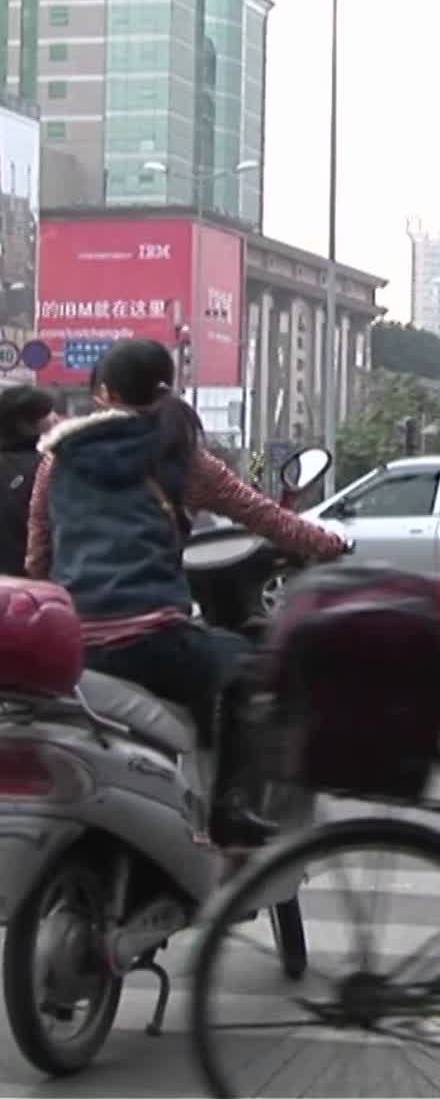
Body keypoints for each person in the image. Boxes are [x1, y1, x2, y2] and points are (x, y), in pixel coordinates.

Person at [25, 337, 347, 844]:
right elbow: (264, 516)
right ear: (165, 388)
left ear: (104, 393)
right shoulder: (181, 456)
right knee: (247, 668)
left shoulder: (57, 460)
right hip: (152, 643)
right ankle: (228, 809)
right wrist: (331, 544)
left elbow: (38, 556)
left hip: (72, 646)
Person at [0, 385, 58, 576]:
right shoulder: (47, 467)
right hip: (31, 577)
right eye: (47, 413)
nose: (54, 417)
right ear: (25, 423)